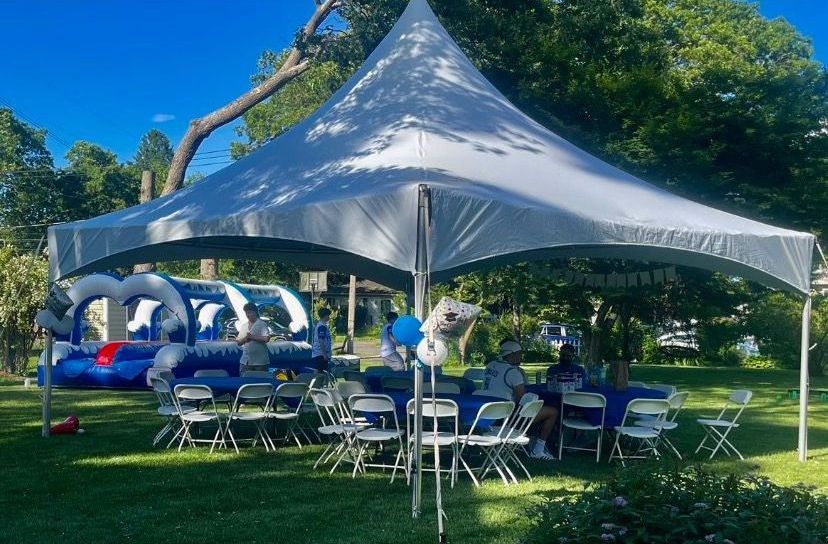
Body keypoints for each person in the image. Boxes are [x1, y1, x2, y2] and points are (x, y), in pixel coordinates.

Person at [483, 339, 560, 460]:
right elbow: (522, 400)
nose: (521, 357)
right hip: (506, 416)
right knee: (552, 411)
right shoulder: (513, 373)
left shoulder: (491, 365)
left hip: (487, 412)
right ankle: (538, 450)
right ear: (512, 355)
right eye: (519, 354)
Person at [236, 302, 271, 374]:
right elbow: (239, 342)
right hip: (245, 361)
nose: (248, 315)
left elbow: (266, 339)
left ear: (255, 312)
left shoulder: (262, 324)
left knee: (260, 383)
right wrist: (245, 338)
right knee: (244, 381)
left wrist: (252, 337)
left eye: (249, 312)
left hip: (260, 362)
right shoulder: (244, 326)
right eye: (246, 313)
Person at [312, 307, 333, 373]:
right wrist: (324, 354)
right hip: (320, 354)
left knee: (320, 370)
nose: (329, 317)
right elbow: (321, 341)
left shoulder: (322, 325)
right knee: (319, 370)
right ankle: (314, 381)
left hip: (320, 353)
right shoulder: (321, 326)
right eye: (328, 315)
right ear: (325, 316)